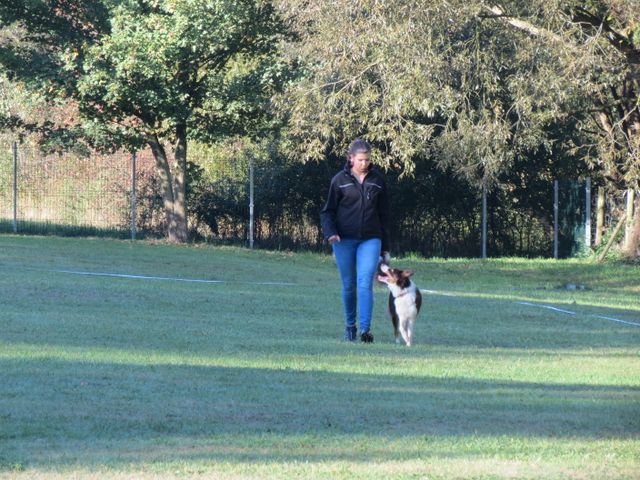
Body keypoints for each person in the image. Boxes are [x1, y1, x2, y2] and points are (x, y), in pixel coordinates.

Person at [320, 139, 391, 343]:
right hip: (343, 240)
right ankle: (350, 327)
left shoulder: (378, 180)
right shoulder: (339, 180)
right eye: (360, 160)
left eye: (367, 160)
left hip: (371, 239)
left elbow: (385, 215)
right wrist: (331, 233)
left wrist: (385, 247)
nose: (364, 163)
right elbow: (327, 211)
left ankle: (365, 330)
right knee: (349, 284)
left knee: (365, 282)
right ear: (350, 158)